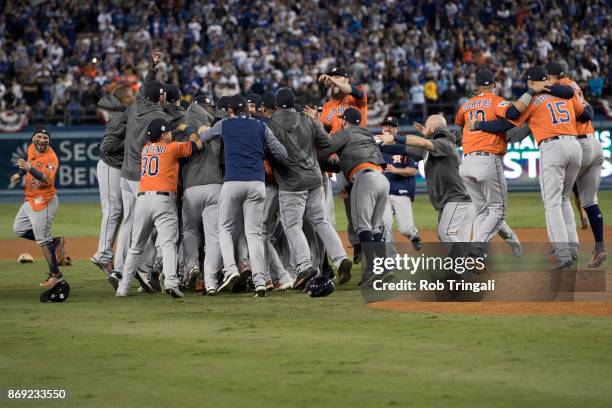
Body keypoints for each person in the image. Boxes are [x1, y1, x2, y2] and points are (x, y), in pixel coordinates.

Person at [472, 66, 591, 269]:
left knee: (552, 203)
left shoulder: (532, 100)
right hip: (574, 146)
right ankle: (572, 248)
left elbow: (505, 124)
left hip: (553, 146)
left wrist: (479, 125)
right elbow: (586, 114)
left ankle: (563, 254)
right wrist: (560, 92)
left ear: (530, 82)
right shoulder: (566, 95)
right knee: (563, 199)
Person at [198, 94, 289, 297]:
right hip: (257, 183)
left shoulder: (225, 123)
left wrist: (202, 130)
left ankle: (230, 269)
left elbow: (204, 138)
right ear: (247, 110)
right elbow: (282, 153)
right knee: (254, 234)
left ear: (230, 110)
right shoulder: (260, 126)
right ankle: (259, 281)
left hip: (233, 181)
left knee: (225, 228)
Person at [267, 88, 352, 289]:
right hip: (314, 178)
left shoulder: (271, 125)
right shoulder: (308, 120)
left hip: (291, 182)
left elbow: (270, 153)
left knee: (292, 226)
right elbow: (328, 144)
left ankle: (306, 265)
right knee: (321, 221)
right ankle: (341, 259)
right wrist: (311, 158)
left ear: (277, 105)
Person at [116, 118, 204, 298]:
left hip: (143, 200)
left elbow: (158, 144)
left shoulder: (145, 150)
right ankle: (171, 282)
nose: (172, 133)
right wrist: (187, 128)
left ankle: (123, 287)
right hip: (163, 199)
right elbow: (198, 144)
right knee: (169, 244)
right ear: (163, 135)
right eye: (169, 132)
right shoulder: (172, 148)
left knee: (136, 246)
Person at [318, 108, 389, 286]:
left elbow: (324, 150)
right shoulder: (368, 134)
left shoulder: (345, 133)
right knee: (375, 228)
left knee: (362, 226)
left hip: (364, 177)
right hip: (382, 179)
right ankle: (383, 269)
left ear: (345, 121)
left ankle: (372, 270)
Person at [546, 62, 606, 268]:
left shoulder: (561, 89)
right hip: (595, 143)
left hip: (579, 143)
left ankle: (564, 248)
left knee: (558, 196)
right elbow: (587, 112)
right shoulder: (573, 85)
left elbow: (585, 113)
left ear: (552, 77)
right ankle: (600, 247)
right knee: (589, 201)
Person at [114, 75, 169, 292]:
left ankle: (119, 269)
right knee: (149, 227)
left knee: (129, 223)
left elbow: (144, 89)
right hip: (141, 176)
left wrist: (153, 68)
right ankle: (145, 270)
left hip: (125, 173)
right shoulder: (158, 114)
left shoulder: (135, 107)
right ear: (160, 97)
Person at [384, 115, 474, 248]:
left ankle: (464, 266)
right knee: (447, 235)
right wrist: (377, 145)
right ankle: (471, 261)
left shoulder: (444, 143)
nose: (424, 128)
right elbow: (401, 149)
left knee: (446, 233)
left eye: (426, 125)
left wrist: (395, 137)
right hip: (450, 199)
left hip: (458, 198)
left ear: (432, 128)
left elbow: (422, 143)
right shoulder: (433, 147)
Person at [179, 96, 224, 294]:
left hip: (191, 189)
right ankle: (211, 281)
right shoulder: (216, 131)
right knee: (213, 236)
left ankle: (191, 266)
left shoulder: (183, 132)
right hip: (215, 186)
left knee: (189, 231)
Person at [11, 127, 64, 287]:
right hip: (30, 198)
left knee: (42, 239)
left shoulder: (52, 158)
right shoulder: (31, 148)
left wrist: (29, 169)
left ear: (49, 140)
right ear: (33, 137)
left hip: (44, 200)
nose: (42, 140)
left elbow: (47, 179)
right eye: (39, 137)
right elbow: (31, 164)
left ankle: (56, 275)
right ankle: (55, 242)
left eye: (45, 138)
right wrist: (20, 174)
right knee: (19, 229)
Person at [91, 85, 134, 276]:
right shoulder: (118, 117)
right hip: (110, 166)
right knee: (112, 209)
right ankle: (103, 254)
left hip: (117, 167)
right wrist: (131, 143)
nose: (134, 98)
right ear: (125, 100)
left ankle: (107, 256)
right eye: (131, 96)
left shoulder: (124, 114)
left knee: (121, 211)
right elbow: (105, 147)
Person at [377, 116, 422, 251]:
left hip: (401, 191)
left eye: (391, 125)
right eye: (385, 125)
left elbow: (413, 171)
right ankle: (391, 260)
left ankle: (413, 235)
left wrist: (396, 170)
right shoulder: (376, 148)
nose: (388, 128)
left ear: (397, 129)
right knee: (385, 226)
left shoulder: (406, 147)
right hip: (383, 193)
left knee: (405, 228)